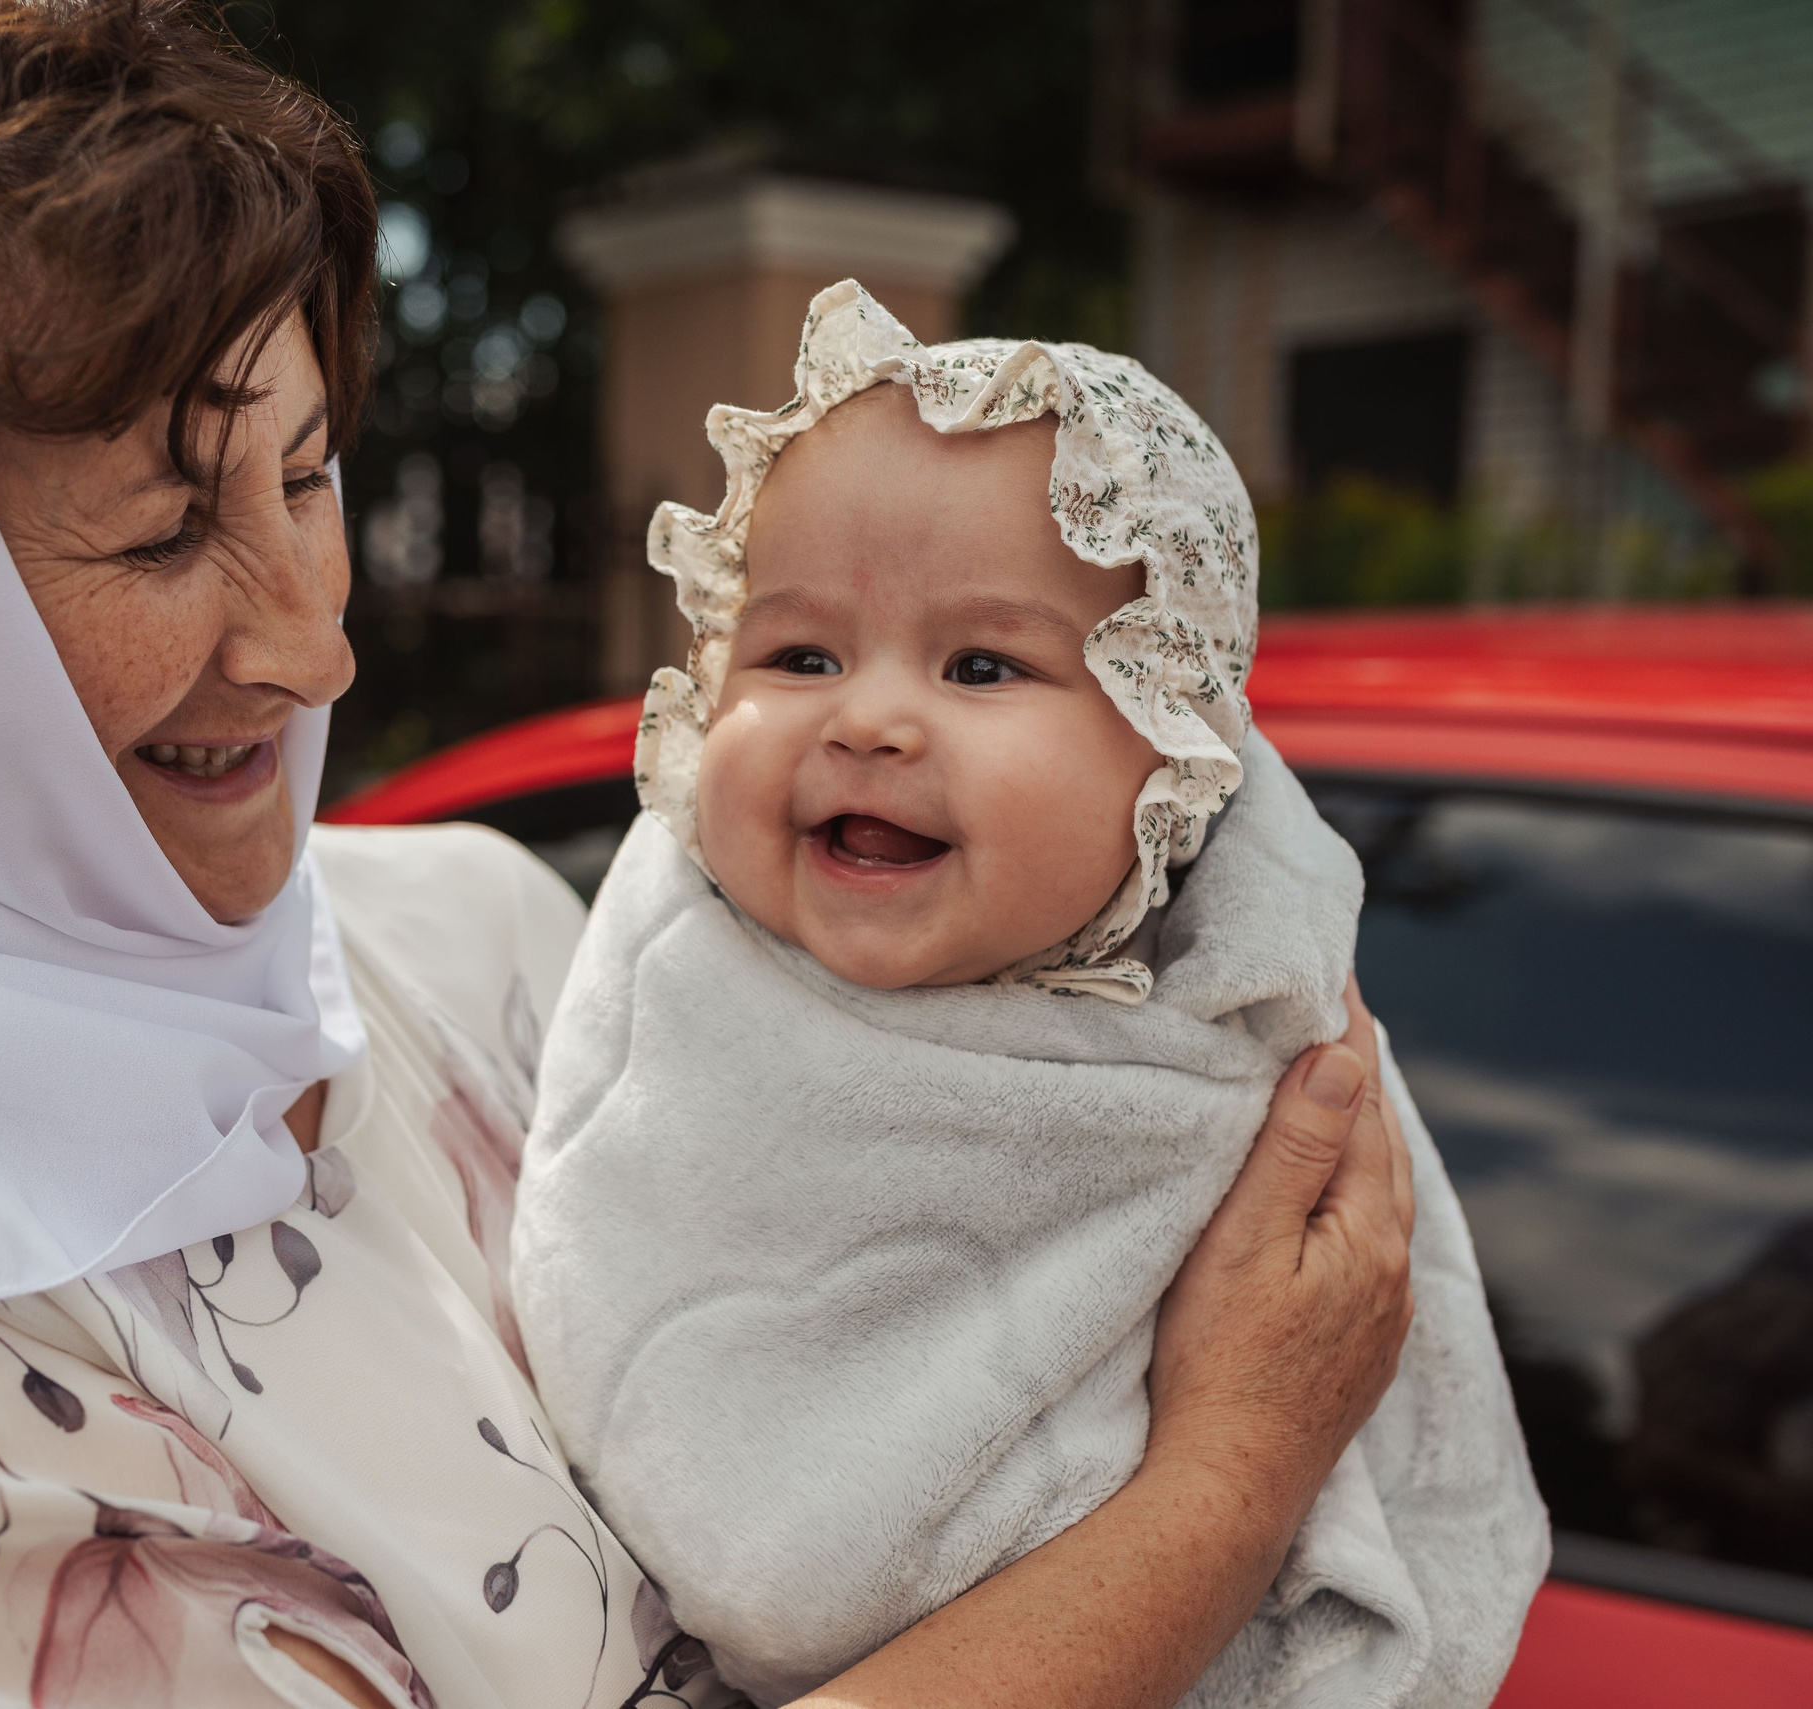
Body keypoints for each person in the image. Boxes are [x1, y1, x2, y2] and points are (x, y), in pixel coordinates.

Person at [0, 4, 1422, 1706]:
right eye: (165, 531)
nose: (311, 643)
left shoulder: (454, 940)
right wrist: (1221, 1487)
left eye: (304, 476)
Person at [510, 283, 1548, 1709]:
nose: (866, 716)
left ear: (1170, 761)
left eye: (982, 663)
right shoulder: (670, 960)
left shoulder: (1252, 1066)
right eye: (798, 653)